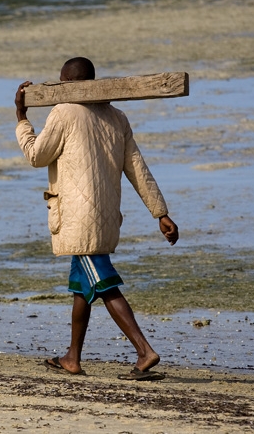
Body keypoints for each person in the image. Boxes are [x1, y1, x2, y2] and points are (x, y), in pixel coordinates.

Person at [14, 56, 178, 380]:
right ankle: (72, 358)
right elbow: (137, 169)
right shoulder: (118, 117)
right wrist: (161, 213)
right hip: (105, 217)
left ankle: (144, 351)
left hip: (78, 218)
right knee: (83, 287)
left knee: (102, 282)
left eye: (62, 83)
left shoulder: (63, 111)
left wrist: (22, 118)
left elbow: (36, 155)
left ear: (68, 84)